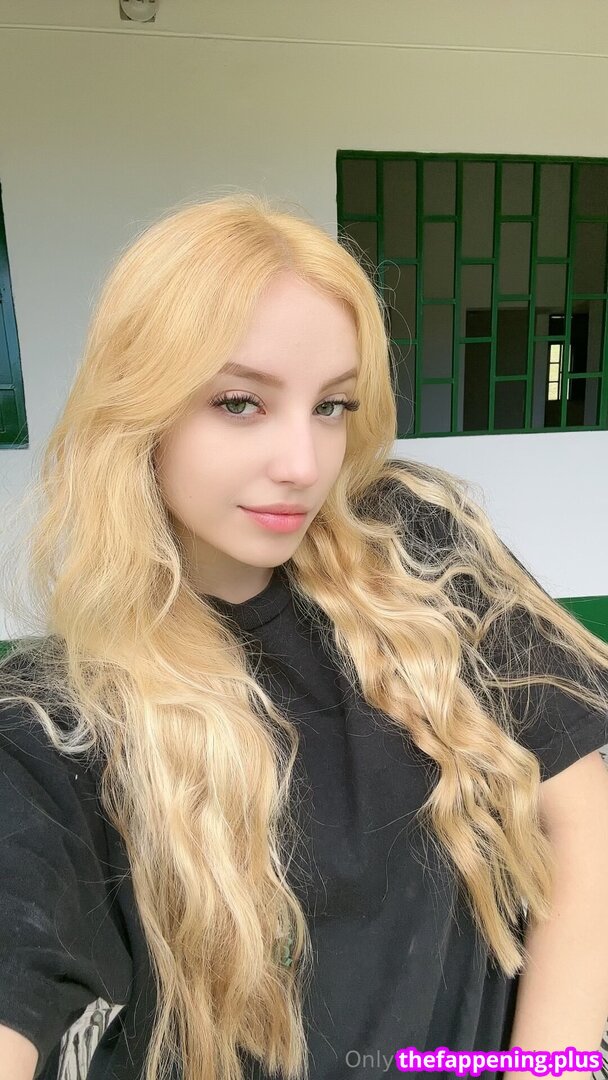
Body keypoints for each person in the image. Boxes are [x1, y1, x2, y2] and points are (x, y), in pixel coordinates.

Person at [0, 192, 607, 1080]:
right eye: (240, 402)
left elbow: (583, 817)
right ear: (140, 408)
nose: (303, 464)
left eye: (331, 406)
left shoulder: (415, 549)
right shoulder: (57, 725)